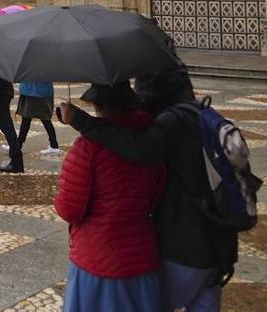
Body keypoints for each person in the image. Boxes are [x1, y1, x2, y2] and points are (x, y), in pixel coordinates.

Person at [60, 66, 237, 312]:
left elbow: (70, 207)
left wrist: (80, 121)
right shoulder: (199, 114)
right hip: (214, 241)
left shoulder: (166, 126)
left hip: (171, 249)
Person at [55, 82, 164, 312]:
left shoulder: (87, 148)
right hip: (143, 256)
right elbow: (158, 193)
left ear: (99, 105)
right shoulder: (151, 139)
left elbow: (69, 208)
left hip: (98, 259)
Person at [16, 80, 61, 156]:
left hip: (32, 91)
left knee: (27, 119)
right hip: (41, 91)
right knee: (43, 119)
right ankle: (54, 145)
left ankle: (17, 145)